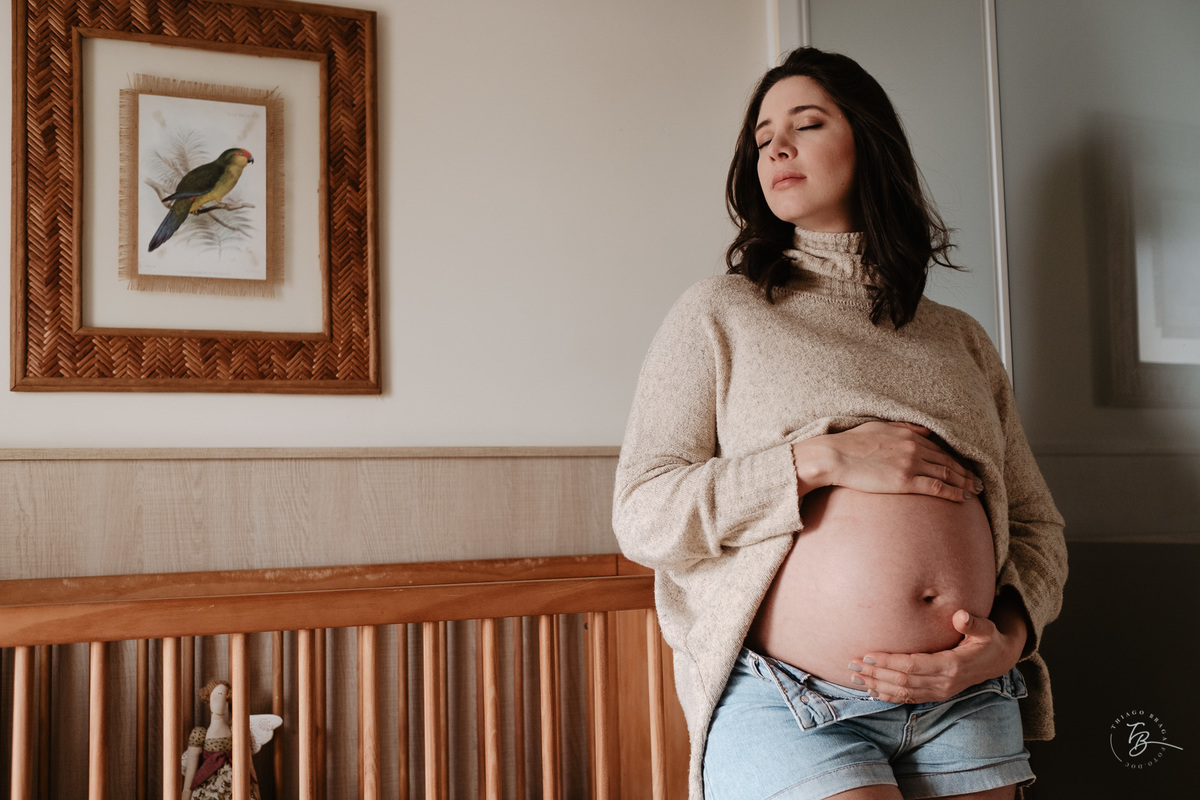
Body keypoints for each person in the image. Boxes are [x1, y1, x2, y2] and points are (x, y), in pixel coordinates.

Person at [612, 47, 1067, 800]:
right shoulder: (720, 312)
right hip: (790, 701)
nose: (776, 147)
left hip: (968, 695)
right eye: (762, 138)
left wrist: (1007, 641)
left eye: (806, 123)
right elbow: (643, 513)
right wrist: (817, 462)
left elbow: (1037, 527)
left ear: (867, 141)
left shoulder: (958, 339)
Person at [181, 678, 261, 800]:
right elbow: (191, 771)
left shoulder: (236, 731)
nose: (218, 701)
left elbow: (249, 764)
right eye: (216, 696)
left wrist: (255, 788)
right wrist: (186, 793)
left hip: (233, 780)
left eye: (223, 697)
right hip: (208, 781)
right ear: (208, 698)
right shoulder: (200, 733)